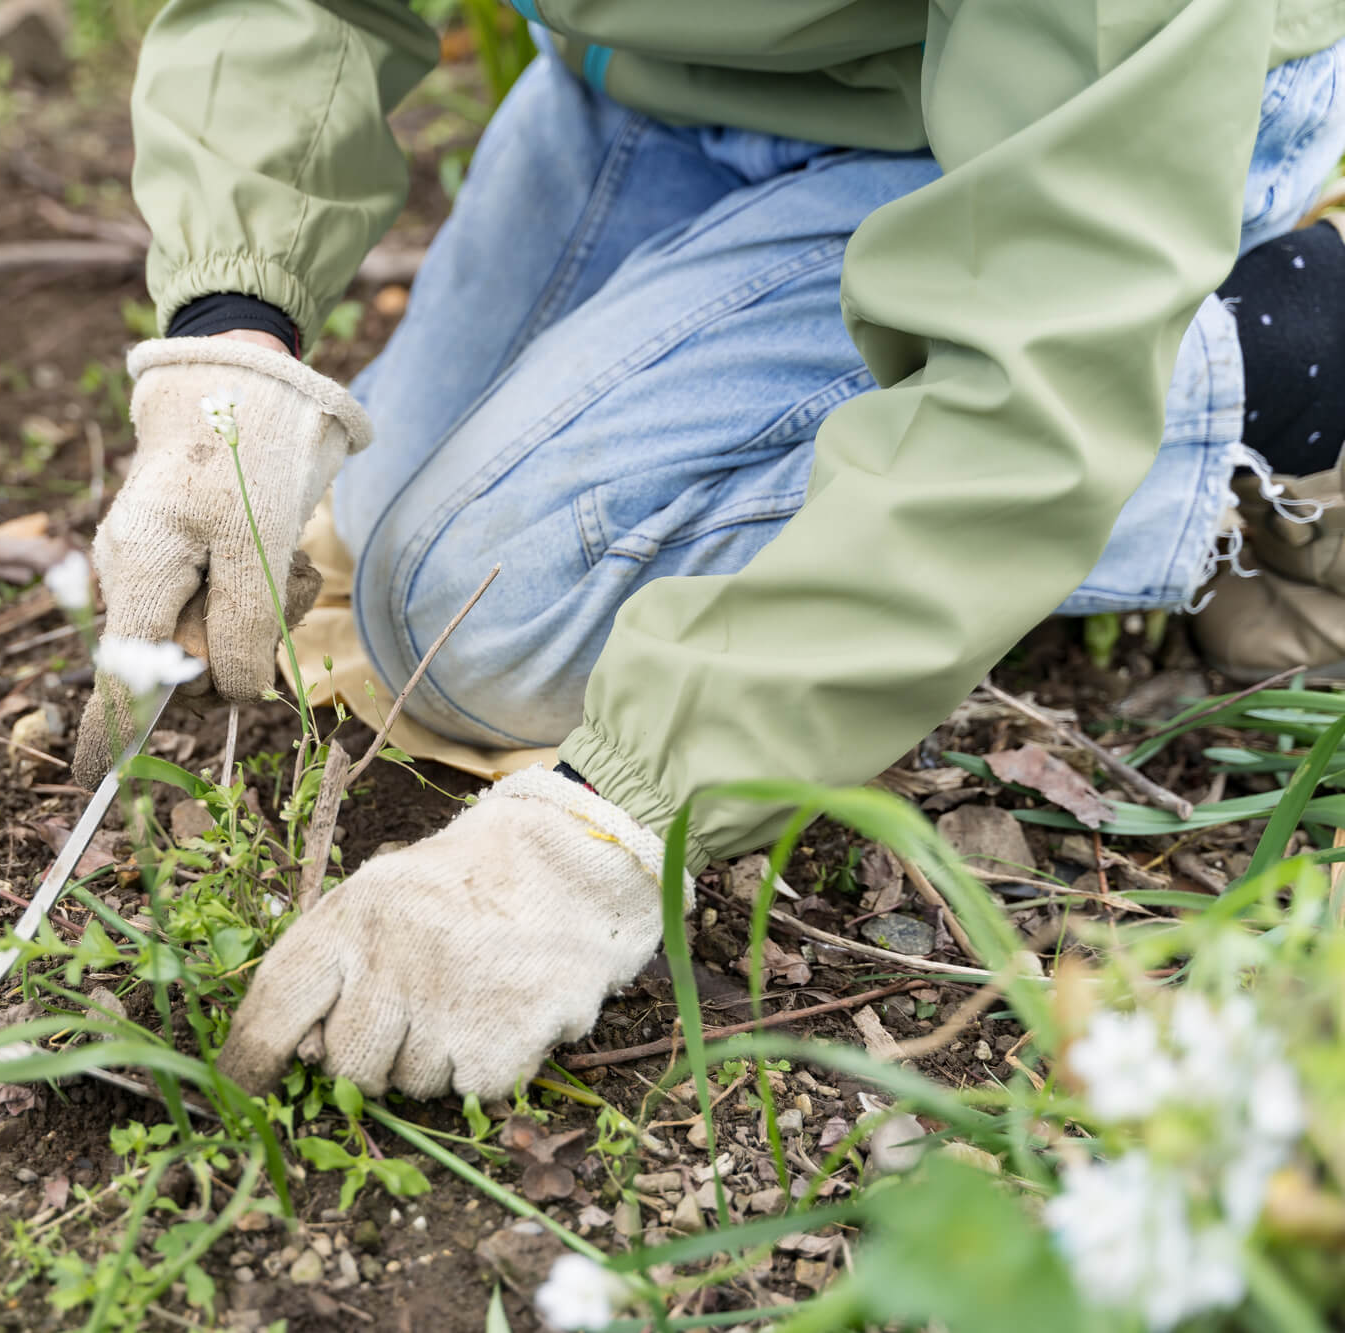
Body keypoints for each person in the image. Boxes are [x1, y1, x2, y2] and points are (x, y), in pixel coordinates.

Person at [80, 0, 1345, 1101]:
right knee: (373, 534)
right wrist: (231, 337)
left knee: (478, 619)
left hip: (1055, 138)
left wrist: (609, 830)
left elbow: (1029, 366)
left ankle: (1270, 358)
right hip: (660, 78)